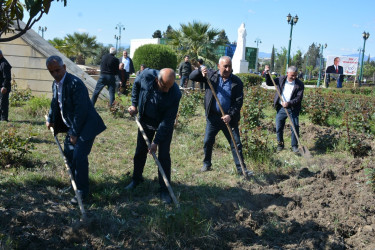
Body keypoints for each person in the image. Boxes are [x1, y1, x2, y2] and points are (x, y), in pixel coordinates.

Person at [45, 55, 106, 204]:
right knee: (69, 154)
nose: (55, 74)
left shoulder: (75, 84)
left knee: (79, 156)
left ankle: (82, 192)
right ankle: (75, 184)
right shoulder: (56, 84)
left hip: (86, 124)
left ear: (64, 67)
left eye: (57, 70)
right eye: (51, 72)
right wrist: (51, 119)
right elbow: (55, 102)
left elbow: (81, 111)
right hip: (73, 124)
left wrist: (74, 133)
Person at [126, 68, 182, 204]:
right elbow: (136, 85)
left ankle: (164, 190)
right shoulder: (146, 76)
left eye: (170, 87)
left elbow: (167, 121)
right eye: (164, 87)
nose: (167, 90)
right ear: (157, 80)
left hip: (163, 124)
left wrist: (156, 142)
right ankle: (136, 179)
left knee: (163, 156)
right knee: (140, 151)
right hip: (146, 119)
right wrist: (134, 105)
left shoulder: (175, 93)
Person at [189, 56, 251, 175]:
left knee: (236, 143)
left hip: (229, 119)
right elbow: (191, 77)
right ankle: (207, 164)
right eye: (225, 66)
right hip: (213, 117)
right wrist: (199, 71)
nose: (228, 69)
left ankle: (241, 169)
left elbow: (238, 102)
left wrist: (230, 115)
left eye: (230, 66)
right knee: (208, 141)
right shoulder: (211, 76)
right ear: (218, 66)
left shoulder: (237, 82)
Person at [264, 65, 304, 154]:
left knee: (295, 127)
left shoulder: (299, 84)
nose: (294, 77)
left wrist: (288, 103)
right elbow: (269, 83)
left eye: (295, 75)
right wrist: (267, 73)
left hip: (293, 108)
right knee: (279, 127)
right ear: (287, 73)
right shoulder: (281, 79)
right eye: (292, 75)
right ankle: (280, 144)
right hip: (281, 108)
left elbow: (298, 98)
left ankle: (294, 146)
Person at [0, 50, 12, 122]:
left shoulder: (4, 64)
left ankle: (4, 118)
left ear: (1, 55)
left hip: (3, 87)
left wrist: (4, 87)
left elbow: (7, 77)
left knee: (3, 103)